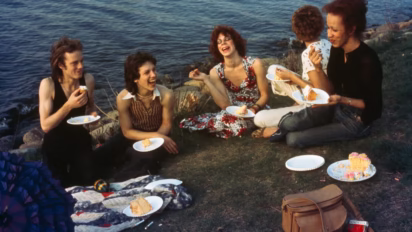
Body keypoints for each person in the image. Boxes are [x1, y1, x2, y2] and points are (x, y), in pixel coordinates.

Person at [270, 0, 382, 147]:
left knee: (294, 139)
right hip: (335, 107)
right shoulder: (337, 49)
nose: (329, 34)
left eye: (334, 30)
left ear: (351, 29)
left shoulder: (368, 60)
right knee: (289, 123)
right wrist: (317, 68)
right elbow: (328, 90)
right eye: (328, 28)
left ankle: (291, 129)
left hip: (357, 120)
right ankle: (287, 126)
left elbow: (375, 108)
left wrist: (341, 99)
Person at [253, 5, 333, 138]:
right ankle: (297, 107)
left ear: (298, 33)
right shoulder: (327, 44)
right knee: (274, 69)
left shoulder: (309, 54)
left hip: (317, 103)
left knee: (259, 118)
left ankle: (292, 118)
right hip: (321, 94)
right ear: (320, 26)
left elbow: (320, 93)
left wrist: (292, 77)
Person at [97, 52, 178, 181]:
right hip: (133, 135)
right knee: (101, 154)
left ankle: (116, 182)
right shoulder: (123, 98)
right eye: (147, 73)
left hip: (160, 135)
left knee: (142, 158)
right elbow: (127, 131)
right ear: (135, 78)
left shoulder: (166, 95)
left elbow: (166, 125)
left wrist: (157, 138)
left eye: (154, 70)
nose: (154, 75)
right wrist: (155, 136)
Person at [180, 25, 269, 139]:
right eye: (219, 42)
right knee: (230, 121)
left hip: (258, 109)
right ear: (217, 47)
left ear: (236, 42)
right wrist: (207, 80)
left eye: (227, 39)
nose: (223, 43)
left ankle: (217, 129)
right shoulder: (216, 72)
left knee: (239, 122)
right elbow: (225, 104)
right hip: (233, 112)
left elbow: (265, 95)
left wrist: (254, 109)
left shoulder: (255, 64)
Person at [39, 37, 97, 187]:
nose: (81, 66)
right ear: (60, 65)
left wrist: (93, 116)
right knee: (58, 189)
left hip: (80, 140)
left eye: (82, 61)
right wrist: (68, 105)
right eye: (74, 63)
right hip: (55, 145)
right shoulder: (48, 85)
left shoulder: (88, 80)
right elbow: (45, 126)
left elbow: (91, 107)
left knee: (86, 185)